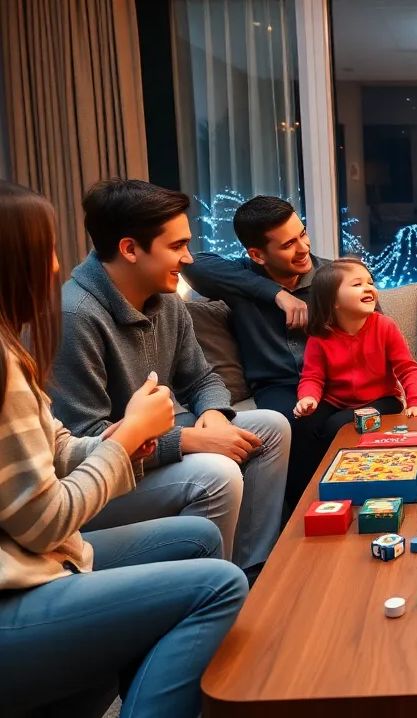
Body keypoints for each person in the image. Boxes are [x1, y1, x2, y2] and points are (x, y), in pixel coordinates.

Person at [0, 176, 247, 716]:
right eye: (42, 249)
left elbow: (55, 448)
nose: (53, 267)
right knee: (218, 587)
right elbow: (47, 521)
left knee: (198, 539)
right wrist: (134, 434)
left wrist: (124, 440)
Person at [51, 179, 290, 575]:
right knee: (218, 474)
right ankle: (204, 589)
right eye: (177, 247)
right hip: (102, 480)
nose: (189, 259)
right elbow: (85, 438)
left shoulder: (166, 301)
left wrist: (214, 414)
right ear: (129, 249)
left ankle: (251, 571)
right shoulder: (74, 317)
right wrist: (193, 439)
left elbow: (202, 379)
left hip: (154, 446)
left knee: (271, 426)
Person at [181, 196, 352, 514]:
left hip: (337, 381)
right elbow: (193, 263)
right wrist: (275, 293)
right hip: (280, 386)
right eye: (288, 244)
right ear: (257, 255)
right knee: (291, 424)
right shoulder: (240, 280)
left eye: (302, 234)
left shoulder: (333, 277)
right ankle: (304, 517)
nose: (303, 248)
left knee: (342, 422)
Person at [293, 259, 417, 481]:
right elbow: (312, 376)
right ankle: (306, 489)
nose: (369, 288)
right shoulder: (320, 336)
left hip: (383, 400)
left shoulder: (385, 326)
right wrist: (308, 398)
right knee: (302, 425)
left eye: (370, 282)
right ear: (333, 301)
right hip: (336, 401)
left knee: (336, 425)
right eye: (357, 284)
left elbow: (407, 368)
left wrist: (416, 403)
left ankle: (338, 476)